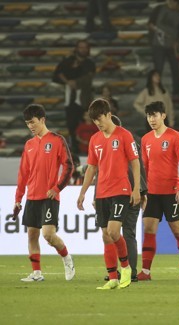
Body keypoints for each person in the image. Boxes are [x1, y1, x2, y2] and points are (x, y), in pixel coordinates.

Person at [77, 98, 141, 290]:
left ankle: (126, 267)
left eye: (100, 119)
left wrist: (136, 188)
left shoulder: (124, 135)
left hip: (120, 190)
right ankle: (113, 278)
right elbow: (91, 168)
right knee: (105, 235)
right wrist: (83, 192)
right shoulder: (95, 139)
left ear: (108, 115)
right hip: (101, 192)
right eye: (94, 121)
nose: (97, 123)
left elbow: (135, 162)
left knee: (114, 232)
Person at [14, 104, 75, 282]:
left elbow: (69, 166)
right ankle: (37, 273)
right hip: (32, 196)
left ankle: (67, 258)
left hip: (49, 196)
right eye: (27, 124)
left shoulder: (56, 140)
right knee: (32, 235)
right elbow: (23, 173)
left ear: (42, 120)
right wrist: (18, 198)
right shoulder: (29, 145)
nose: (30, 126)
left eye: (33, 122)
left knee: (48, 234)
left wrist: (57, 188)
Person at [138, 101, 179, 281]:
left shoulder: (175, 137)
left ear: (163, 115)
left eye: (154, 115)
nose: (151, 119)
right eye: (148, 116)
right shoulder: (145, 139)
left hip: (171, 192)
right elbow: (144, 166)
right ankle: (145, 271)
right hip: (152, 193)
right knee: (149, 229)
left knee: (178, 231)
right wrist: (142, 190)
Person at [102, 115, 148, 283]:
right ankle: (131, 272)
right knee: (127, 233)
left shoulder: (109, 144)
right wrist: (143, 191)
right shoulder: (132, 143)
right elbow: (141, 168)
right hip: (132, 192)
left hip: (118, 193)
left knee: (113, 233)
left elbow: (102, 172)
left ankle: (119, 271)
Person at [53, 40, 95, 153]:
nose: (83, 50)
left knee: (86, 124)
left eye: (85, 47)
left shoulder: (89, 63)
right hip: (70, 98)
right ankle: (75, 148)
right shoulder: (68, 61)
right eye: (81, 47)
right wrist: (68, 82)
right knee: (71, 125)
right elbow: (57, 74)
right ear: (76, 48)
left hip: (84, 98)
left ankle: (87, 148)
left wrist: (74, 82)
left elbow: (88, 77)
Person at [148, 0, 179, 95]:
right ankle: (156, 90)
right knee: (158, 69)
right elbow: (150, 23)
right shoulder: (159, 9)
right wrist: (156, 30)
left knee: (175, 69)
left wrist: (178, 42)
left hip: (172, 46)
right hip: (158, 44)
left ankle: (177, 91)